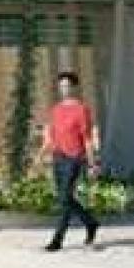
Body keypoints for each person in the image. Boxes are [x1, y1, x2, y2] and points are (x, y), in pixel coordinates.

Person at [42, 70, 100, 252]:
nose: (63, 89)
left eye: (67, 86)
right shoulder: (56, 110)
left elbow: (87, 139)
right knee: (64, 199)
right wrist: (40, 156)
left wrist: (92, 163)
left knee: (65, 198)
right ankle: (90, 222)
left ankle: (57, 240)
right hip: (58, 157)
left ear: (74, 87)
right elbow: (51, 137)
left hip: (74, 158)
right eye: (61, 86)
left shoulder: (82, 110)